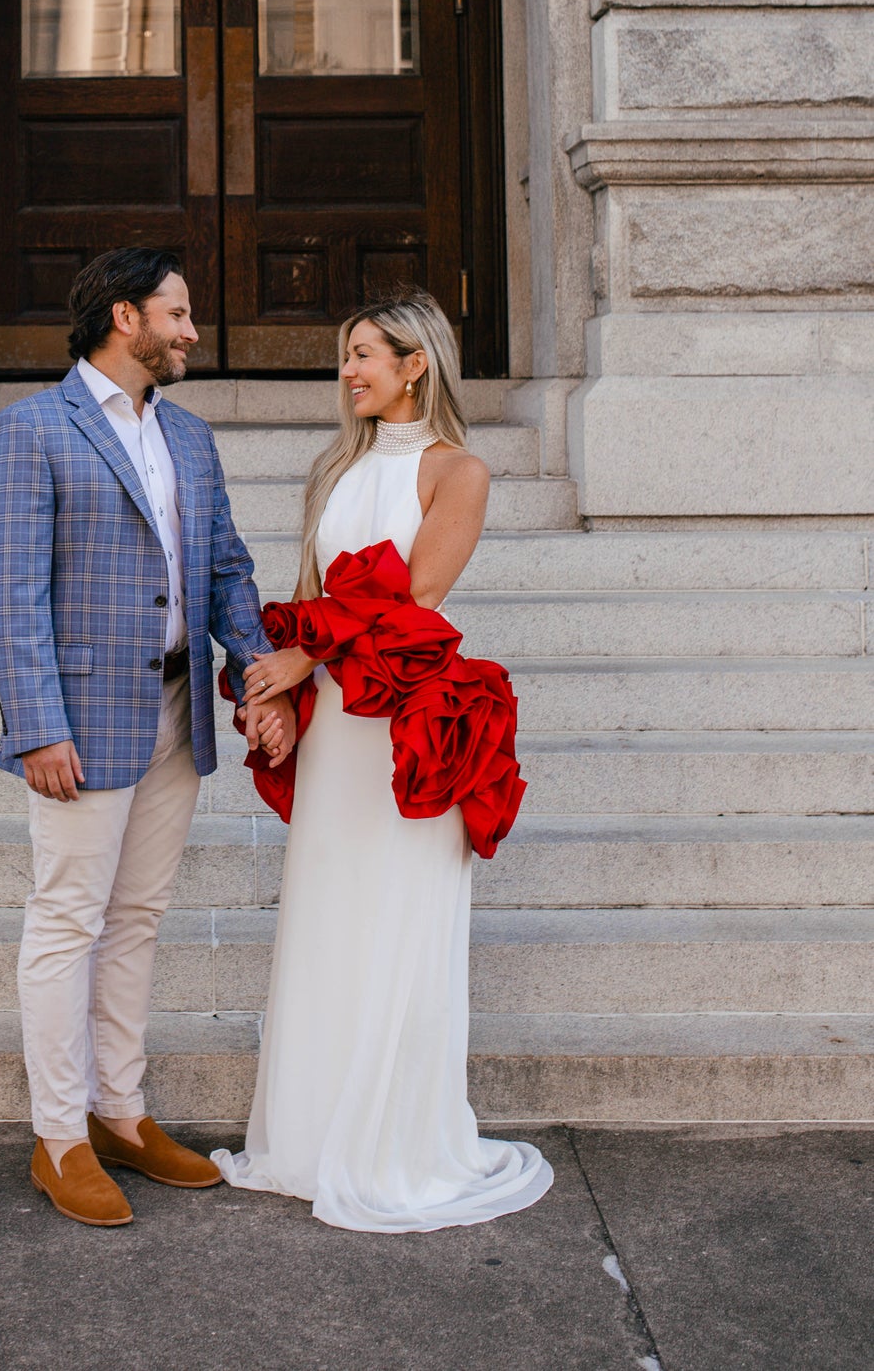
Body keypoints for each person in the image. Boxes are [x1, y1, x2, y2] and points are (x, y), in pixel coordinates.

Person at [213, 289, 554, 1231]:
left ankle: (396, 1145)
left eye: (365, 353)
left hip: (407, 728)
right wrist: (276, 694)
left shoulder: (460, 471)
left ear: (416, 364)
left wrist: (303, 656)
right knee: (326, 917)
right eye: (346, 354)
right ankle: (311, 1140)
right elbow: (305, 595)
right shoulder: (335, 467)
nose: (348, 370)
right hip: (336, 728)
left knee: (398, 923)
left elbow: (416, 600)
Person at [0, 247, 295, 1228]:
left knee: (137, 917)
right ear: (124, 317)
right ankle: (58, 1135)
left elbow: (227, 570)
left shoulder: (189, 438)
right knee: (66, 916)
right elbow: (12, 591)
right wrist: (36, 725)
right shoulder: (31, 429)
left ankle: (120, 1111)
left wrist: (256, 673)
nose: (192, 330)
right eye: (178, 312)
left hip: (173, 714)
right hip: (77, 721)